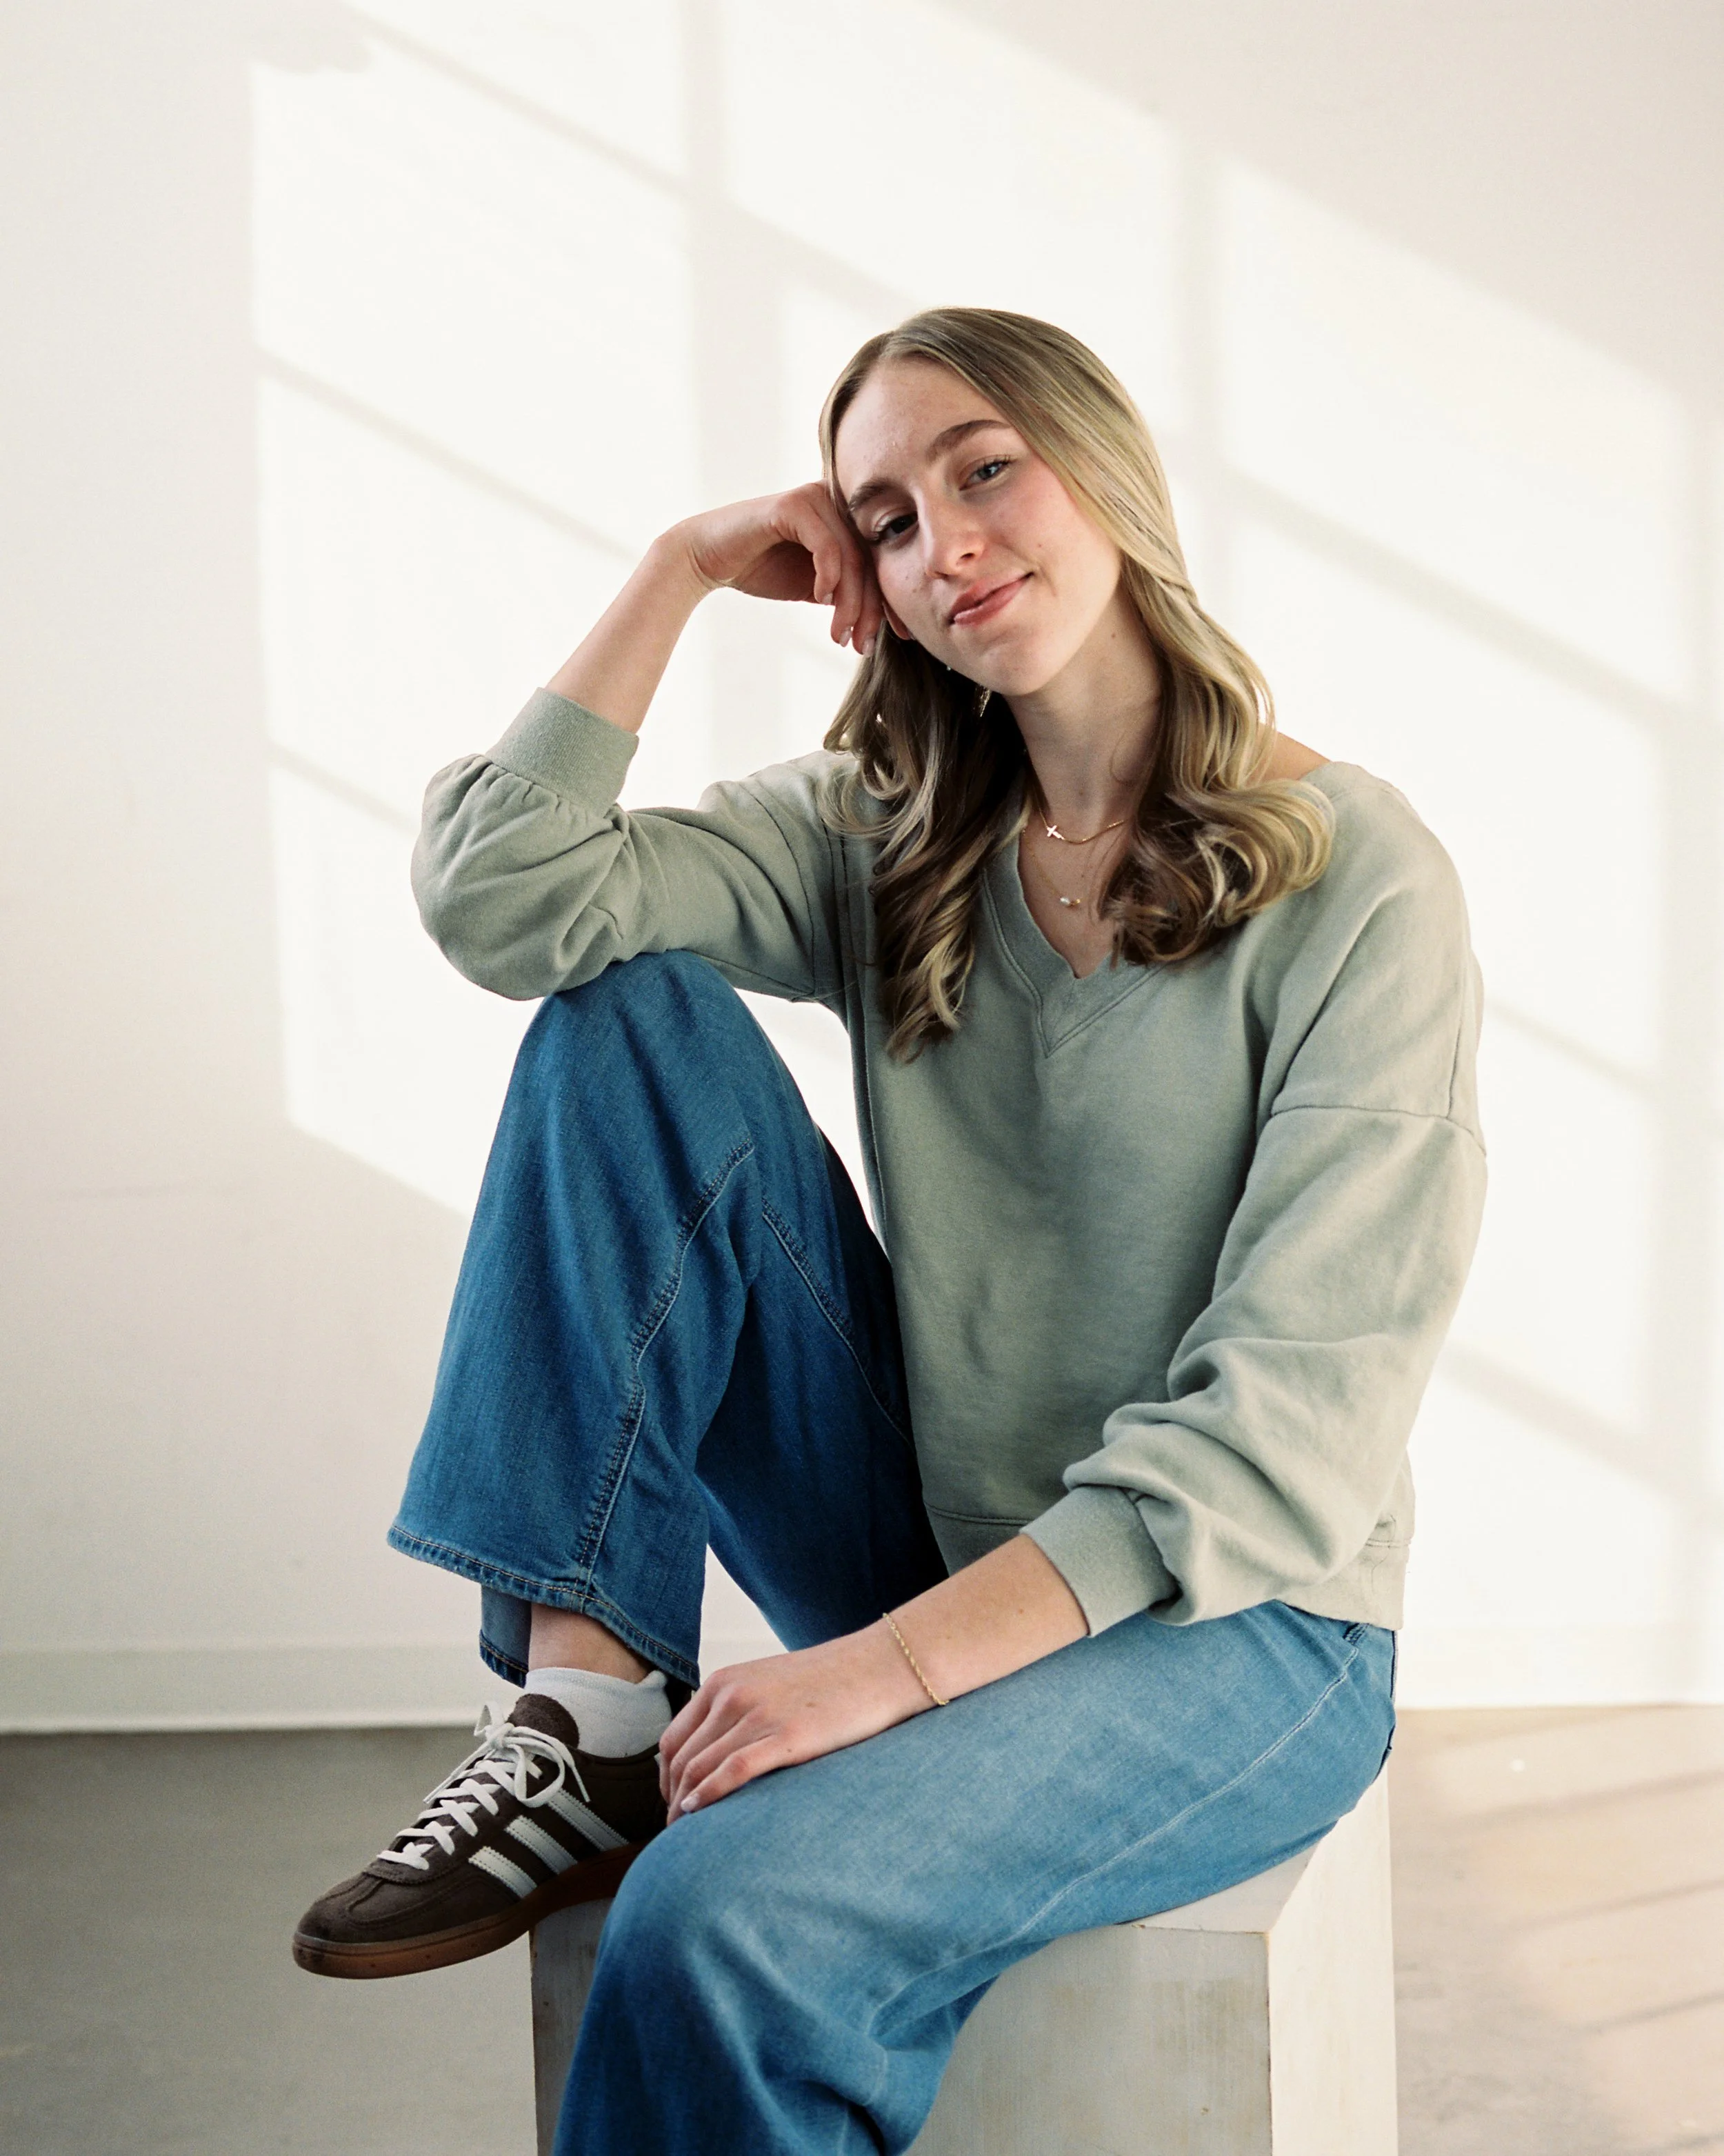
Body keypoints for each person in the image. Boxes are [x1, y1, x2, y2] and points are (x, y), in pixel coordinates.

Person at [293, 308, 1485, 2154]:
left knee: (718, 1918)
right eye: (888, 517)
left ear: (1105, 472)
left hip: (1238, 1624)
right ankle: (584, 1718)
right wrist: (679, 568)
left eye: (983, 466)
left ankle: (694, 1798)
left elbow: (1281, 1438)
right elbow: (508, 900)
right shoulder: (892, 831)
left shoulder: (1354, 875)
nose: (948, 543)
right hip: (929, 1540)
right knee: (622, 1014)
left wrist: (880, 1668)